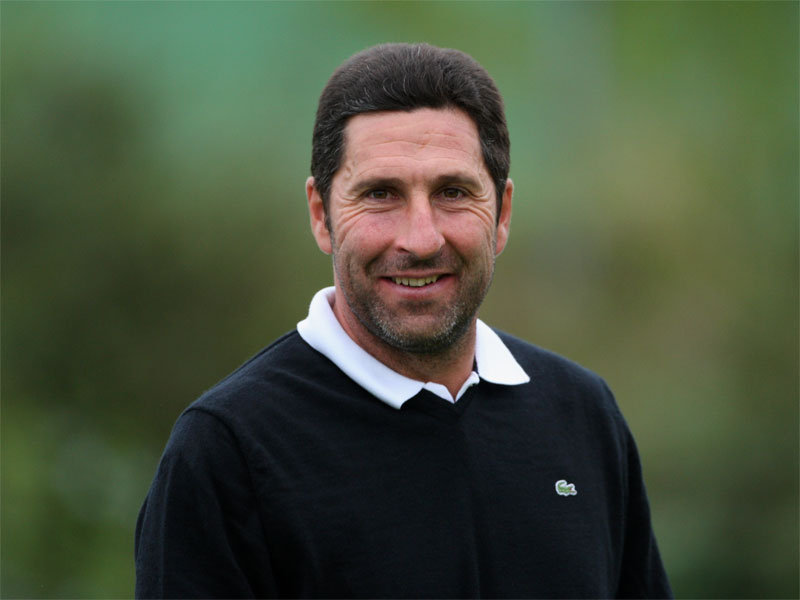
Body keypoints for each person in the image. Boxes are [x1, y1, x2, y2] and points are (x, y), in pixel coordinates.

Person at [135, 43, 672, 599]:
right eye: (380, 194)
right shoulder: (228, 450)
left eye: (453, 193)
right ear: (321, 215)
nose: (421, 239)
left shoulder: (583, 415)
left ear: (502, 214)